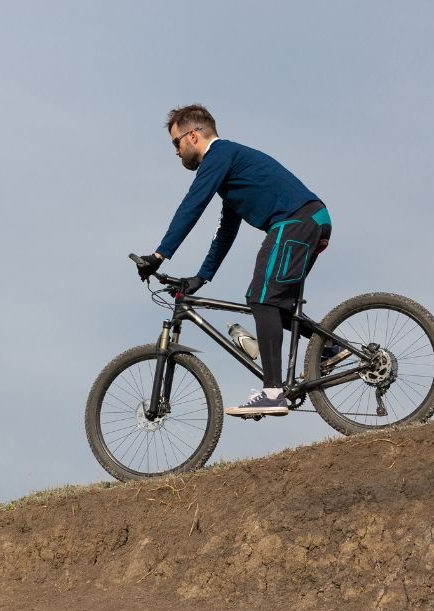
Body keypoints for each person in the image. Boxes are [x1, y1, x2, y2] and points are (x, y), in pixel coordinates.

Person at [135, 104, 345, 417]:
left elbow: (192, 205)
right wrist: (202, 277)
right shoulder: (230, 170)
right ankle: (329, 347)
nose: (175, 152)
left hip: (295, 221)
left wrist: (159, 254)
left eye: (175, 143)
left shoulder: (219, 155)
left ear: (192, 136)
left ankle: (273, 393)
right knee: (274, 306)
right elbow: (226, 232)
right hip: (307, 220)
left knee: (261, 299)